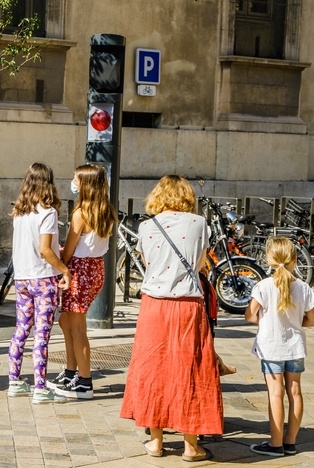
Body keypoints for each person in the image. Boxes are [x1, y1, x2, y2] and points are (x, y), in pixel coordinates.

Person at [119, 175, 221, 462]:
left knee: (153, 369)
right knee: (191, 370)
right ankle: (191, 445)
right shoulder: (199, 223)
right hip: (188, 304)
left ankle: (155, 441)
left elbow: (147, 263)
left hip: (153, 305)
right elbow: (201, 263)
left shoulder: (146, 226)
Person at [244, 236, 314, 457]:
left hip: (271, 347)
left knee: (275, 394)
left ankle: (275, 443)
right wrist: (295, 322)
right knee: (295, 392)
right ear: (295, 259)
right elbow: (313, 320)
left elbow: (250, 316)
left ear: (269, 260)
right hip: (295, 346)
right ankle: (290, 442)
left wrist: (266, 321)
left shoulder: (263, 286)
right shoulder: (304, 287)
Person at [5, 162, 70, 405]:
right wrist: (65, 269)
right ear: (49, 183)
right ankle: (40, 386)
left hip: (22, 278)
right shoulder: (48, 213)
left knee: (21, 330)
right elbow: (45, 250)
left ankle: (14, 380)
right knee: (41, 334)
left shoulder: (20, 213)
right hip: (43, 279)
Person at [50, 164, 116, 400]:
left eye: (76, 179)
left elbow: (69, 250)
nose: (73, 182)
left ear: (85, 184)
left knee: (77, 329)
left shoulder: (81, 214)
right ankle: (70, 372)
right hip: (95, 267)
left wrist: (59, 266)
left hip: (79, 270)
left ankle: (85, 381)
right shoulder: (105, 210)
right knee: (66, 323)